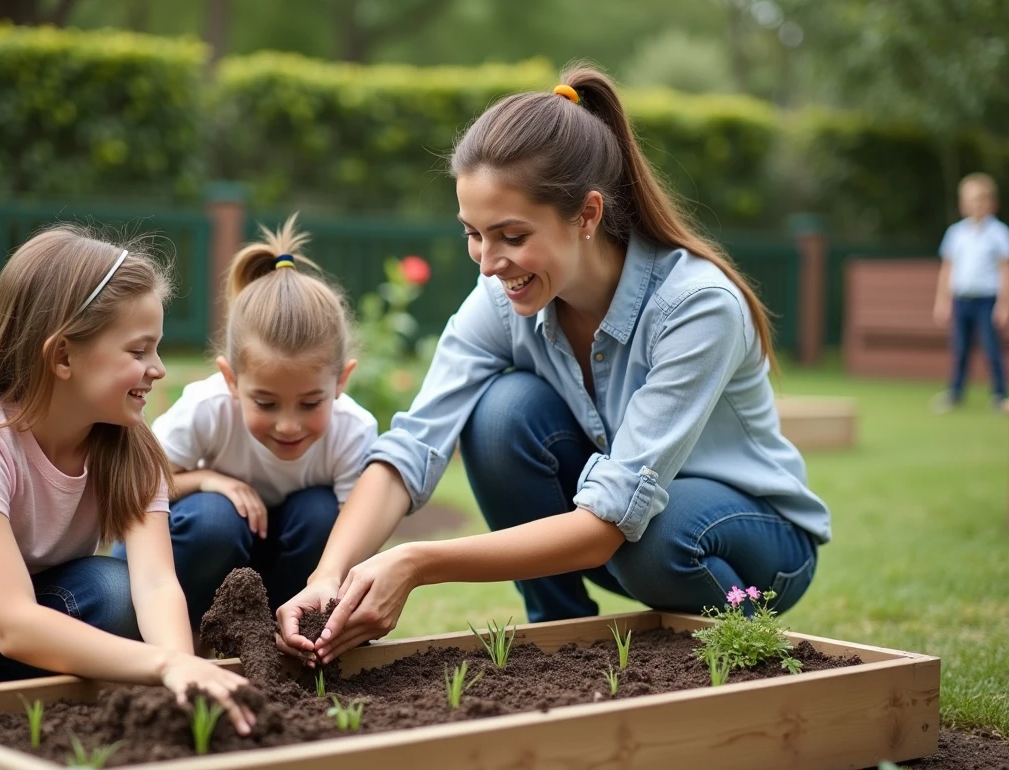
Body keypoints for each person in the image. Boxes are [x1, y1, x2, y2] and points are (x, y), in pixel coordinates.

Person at [275, 66, 831, 666]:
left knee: (655, 537)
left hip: (754, 540)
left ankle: (738, 643)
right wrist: (329, 575)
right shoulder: (501, 299)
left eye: (512, 236)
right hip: (627, 533)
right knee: (501, 414)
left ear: (587, 215)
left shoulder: (695, 307)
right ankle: (562, 638)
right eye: (473, 234)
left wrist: (416, 562)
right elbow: (415, 445)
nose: (488, 263)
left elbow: (609, 522)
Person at [0, 225, 254, 734]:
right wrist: (161, 665)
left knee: (117, 591)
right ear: (63, 355)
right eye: (139, 351)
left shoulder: (130, 447)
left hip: (33, 612)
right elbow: (11, 622)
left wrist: (182, 668)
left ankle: (9, 701)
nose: (157, 368)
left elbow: (155, 582)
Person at [115, 217, 376, 624]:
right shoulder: (207, 409)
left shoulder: (353, 431)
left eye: (310, 403)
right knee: (214, 519)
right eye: (266, 403)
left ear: (341, 381)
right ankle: (196, 632)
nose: (288, 425)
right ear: (231, 380)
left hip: (284, 566)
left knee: (322, 515)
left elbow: (357, 534)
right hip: (195, 561)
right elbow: (134, 487)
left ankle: (287, 628)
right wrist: (207, 479)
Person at [933, 172, 1009, 412]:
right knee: (960, 348)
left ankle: (1000, 394)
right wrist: (942, 301)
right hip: (961, 299)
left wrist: (1005, 304)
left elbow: (1006, 271)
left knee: (991, 348)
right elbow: (947, 269)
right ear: (962, 204)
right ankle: (956, 392)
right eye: (971, 200)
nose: (976, 205)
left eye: (981, 200)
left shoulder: (999, 233)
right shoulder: (956, 233)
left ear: (992, 203)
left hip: (987, 300)